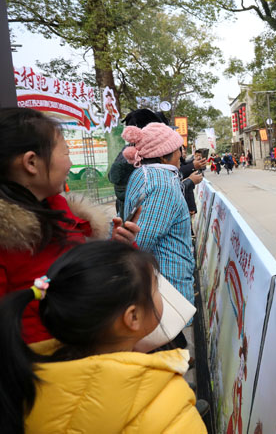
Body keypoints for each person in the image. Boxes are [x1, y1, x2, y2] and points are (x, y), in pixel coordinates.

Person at [0, 241, 206, 433]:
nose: (160, 295)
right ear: (133, 317)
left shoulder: (26, 382)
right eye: (155, 288)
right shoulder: (169, 401)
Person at [0, 107, 140, 344]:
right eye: (65, 152)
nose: (71, 162)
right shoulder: (9, 242)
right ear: (31, 162)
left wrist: (115, 247)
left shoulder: (56, 213)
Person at [122, 123, 194, 307]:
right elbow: (142, 239)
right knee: (169, 333)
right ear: (163, 155)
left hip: (159, 286)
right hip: (166, 290)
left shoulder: (145, 174)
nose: (181, 155)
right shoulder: (162, 185)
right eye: (178, 149)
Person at [108, 108, 169, 215]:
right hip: (139, 215)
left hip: (127, 212)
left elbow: (112, 176)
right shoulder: (142, 154)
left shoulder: (128, 150)